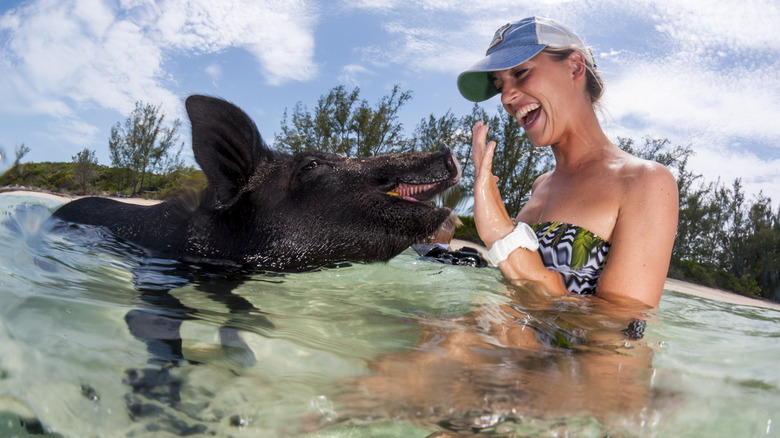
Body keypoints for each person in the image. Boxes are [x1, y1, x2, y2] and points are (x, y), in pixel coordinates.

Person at [457, 16, 678, 308]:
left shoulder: (646, 182)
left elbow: (616, 334)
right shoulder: (540, 185)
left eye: (521, 72)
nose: (507, 98)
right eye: (500, 86)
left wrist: (503, 236)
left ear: (574, 66)